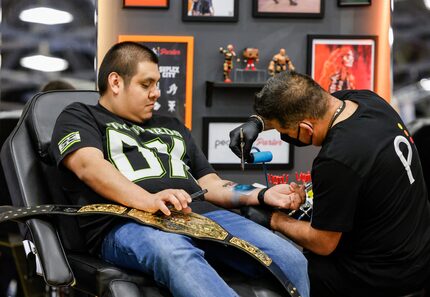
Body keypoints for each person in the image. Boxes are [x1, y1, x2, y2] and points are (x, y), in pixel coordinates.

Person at [49, 41, 309, 297]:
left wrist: (261, 195)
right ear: (115, 82)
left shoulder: (171, 125)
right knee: (174, 250)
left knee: (290, 257)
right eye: (145, 84)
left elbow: (212, 184)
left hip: (201, 218)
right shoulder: (80, 116)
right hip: (129, 223)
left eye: (157, 83)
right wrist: (148, 200)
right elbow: (88, 166)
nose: (156, 93)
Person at [229, 71, 430, 297]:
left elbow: (323, 243)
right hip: (417, 256)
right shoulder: (367, 101)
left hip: (384, 275)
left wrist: (273, 219)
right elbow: (297, 104)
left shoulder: (336, 159)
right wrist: (258, 122)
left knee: (276, 276)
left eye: (284, 131)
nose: (283, 136)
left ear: (305, 129)